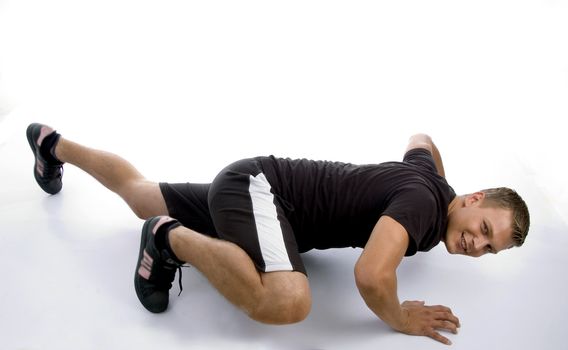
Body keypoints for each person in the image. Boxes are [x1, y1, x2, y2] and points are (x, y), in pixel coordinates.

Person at [26, 122, 529, 345]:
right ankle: (167, 240)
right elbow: (371, 275)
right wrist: (399, 317)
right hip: (262, 193)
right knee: (290, 302)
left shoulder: (431, 183)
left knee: (139, 193)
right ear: (474, 198)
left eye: (488, 249)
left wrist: (440, 178)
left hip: (254, 184)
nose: (474, 245)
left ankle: (53, 145)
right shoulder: (422, 205)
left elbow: (421, 138)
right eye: (482, 229)